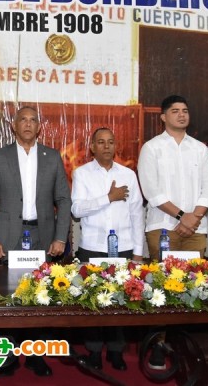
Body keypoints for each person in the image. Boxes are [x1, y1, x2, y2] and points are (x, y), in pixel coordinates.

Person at [0, 105, 72, 377]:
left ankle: (35, 355)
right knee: (7, 296)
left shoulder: (52, 157)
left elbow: (63, 200)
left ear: (39, 127)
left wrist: (60, 237)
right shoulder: (0, 156)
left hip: (43, 236)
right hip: (8, 236)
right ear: (14, 125)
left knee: (39, 296)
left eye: (33, 120)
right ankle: (6, 356)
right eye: (23, 120)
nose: (28, 124)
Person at [137, 95, 208, 370]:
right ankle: (158, 345)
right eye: (175, 111)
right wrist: (184, 216)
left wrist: (194, 218)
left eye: (185, 110)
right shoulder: (152, 148)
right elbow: (152, 191)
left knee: (193, 286)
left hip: (196, 229)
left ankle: (186, 347)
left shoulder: (200, 149)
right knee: (162, 287)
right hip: (163, 227)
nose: (182, 115)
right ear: (163, 117)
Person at [71, 127, 144, 372]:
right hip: (92, 248)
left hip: (123, 248)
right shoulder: (82, 173)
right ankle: (93, 351)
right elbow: (77, 210)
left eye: (110, 142)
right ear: (92, 147)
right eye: (101, 142)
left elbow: (137, 215)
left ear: (116, 146)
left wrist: (138, 253)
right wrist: (108, 198)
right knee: (93, 302)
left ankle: (115, 351)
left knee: (120, 301)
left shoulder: (128, 175)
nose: (106, 146)